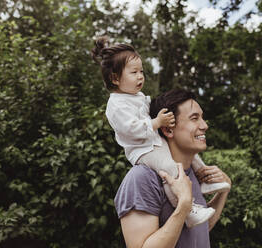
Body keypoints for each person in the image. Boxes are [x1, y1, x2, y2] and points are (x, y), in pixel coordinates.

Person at [91, 36, 230, 228]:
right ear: (115, 78)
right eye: (134, 72)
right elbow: (132, 129)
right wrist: (157, 122)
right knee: (169, 168)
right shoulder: (116, 105)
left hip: (153, 140)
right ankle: (189, 210)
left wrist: (223, 192)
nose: (140, 76)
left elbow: (202, 231)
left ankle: (207, 180)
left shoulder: (136, 96)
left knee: (193, 159)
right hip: (143, 149)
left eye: (142, 71)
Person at [114, 89, 232, 247]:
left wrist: (223, 192)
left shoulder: (191, 174)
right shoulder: (142, 178)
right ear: (168, 129)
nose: (204, 126)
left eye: (202, 118)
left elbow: (200, 229)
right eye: (194, 118)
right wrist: (183, 206)